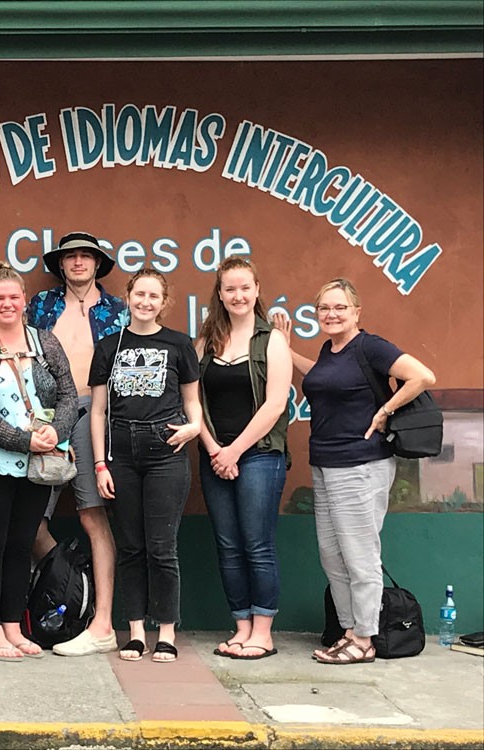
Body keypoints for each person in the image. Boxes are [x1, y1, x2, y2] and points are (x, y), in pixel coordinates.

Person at [273, 278, 435, 665]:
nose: (331, 314)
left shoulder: (370, 347)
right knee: (333, 556)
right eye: (324, 308)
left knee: (360, 556)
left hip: (362, 464)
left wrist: (385, 411)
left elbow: (422, 376)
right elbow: (320, 376)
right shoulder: (330, 351)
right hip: (326, 463)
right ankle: (348, 632)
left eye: (339, 307)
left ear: (356, 311)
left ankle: (364, 638)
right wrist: (286, 349)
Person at [0, 262, 77, 662]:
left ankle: (13, 626)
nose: (7, 304)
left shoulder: (45, 343)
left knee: (22, 545)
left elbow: (69, 395)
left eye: (13, 297)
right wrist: (24, 441)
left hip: (37, 468)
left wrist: (55, 431)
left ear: (24, 300)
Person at [90, 268, 202, 663]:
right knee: (131, 546)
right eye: (139, 294)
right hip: (120, 452)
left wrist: (194, 427)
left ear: (164, 302)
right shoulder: (109, 347)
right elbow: (98, 412)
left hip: (165, 450)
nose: (145, 302)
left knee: (161, 547)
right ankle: (136, 631)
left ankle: (166, 632)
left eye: (154, 296)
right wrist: (100, 464)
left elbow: (192, 401)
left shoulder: (179, 344)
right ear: (128, 297)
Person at [27, 231, 127, 657]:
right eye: (71, 257)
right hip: (45, 417)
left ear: (98, 264)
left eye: (86, 256)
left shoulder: (117, 310)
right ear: (61, 264)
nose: (79, 262)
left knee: (92, 517)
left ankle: (102, 623)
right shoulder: (41, 306)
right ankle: (70, 580)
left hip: (94, 414)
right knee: (28, 520)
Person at [195, 257, 291, 660]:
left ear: (256, 290)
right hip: (214, 456)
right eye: (230, 289)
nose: (238, 296)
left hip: (260, 456)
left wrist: (234, 451)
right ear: (220, 294)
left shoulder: (273, 340)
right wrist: (214, 450)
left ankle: (263, 633)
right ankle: (241, 628)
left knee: (257, 544)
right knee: (228, 545)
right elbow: (191, 402)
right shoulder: (205, 341)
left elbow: (275, 404)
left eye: (245, 288)